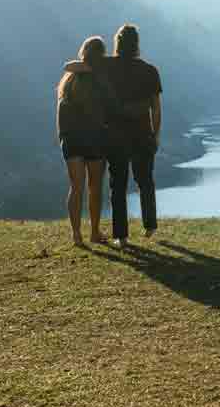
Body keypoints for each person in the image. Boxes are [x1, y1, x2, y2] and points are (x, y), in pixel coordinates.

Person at [103, 23, 162, 246]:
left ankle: (121, 236)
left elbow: (78, 66)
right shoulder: (149, 70)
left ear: (117, 43)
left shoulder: (107, 66)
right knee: (145, 180)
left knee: (118, 184)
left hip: (116, 134)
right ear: (137, 44)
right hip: (142, 133)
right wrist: (155, 135)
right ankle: (150, 226)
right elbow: (156, 108)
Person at [56, 36, 115, 246]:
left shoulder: (69, 80)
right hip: (95, 139)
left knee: (76, 187)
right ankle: (95, 232)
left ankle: (76, 235)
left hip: (71, 139)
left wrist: (63, 137)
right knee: (95, 187)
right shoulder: (102, 77)